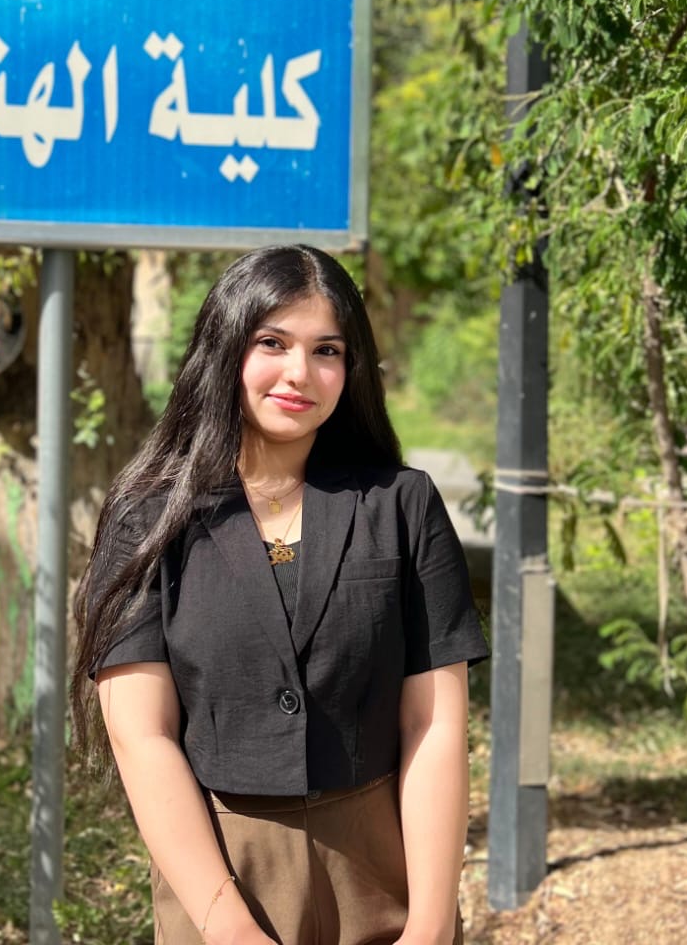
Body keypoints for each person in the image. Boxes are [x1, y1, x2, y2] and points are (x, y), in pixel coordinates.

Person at [71, 245, 489, 945]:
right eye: (272, 343)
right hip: (221, 873)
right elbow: (140, 735)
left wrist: (430, 923)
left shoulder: (401, 505)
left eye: (326, 350)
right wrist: (229, 926)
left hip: (383, 864)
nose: (300, 373)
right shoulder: (148, 518)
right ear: (224, 348)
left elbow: (434, 726)